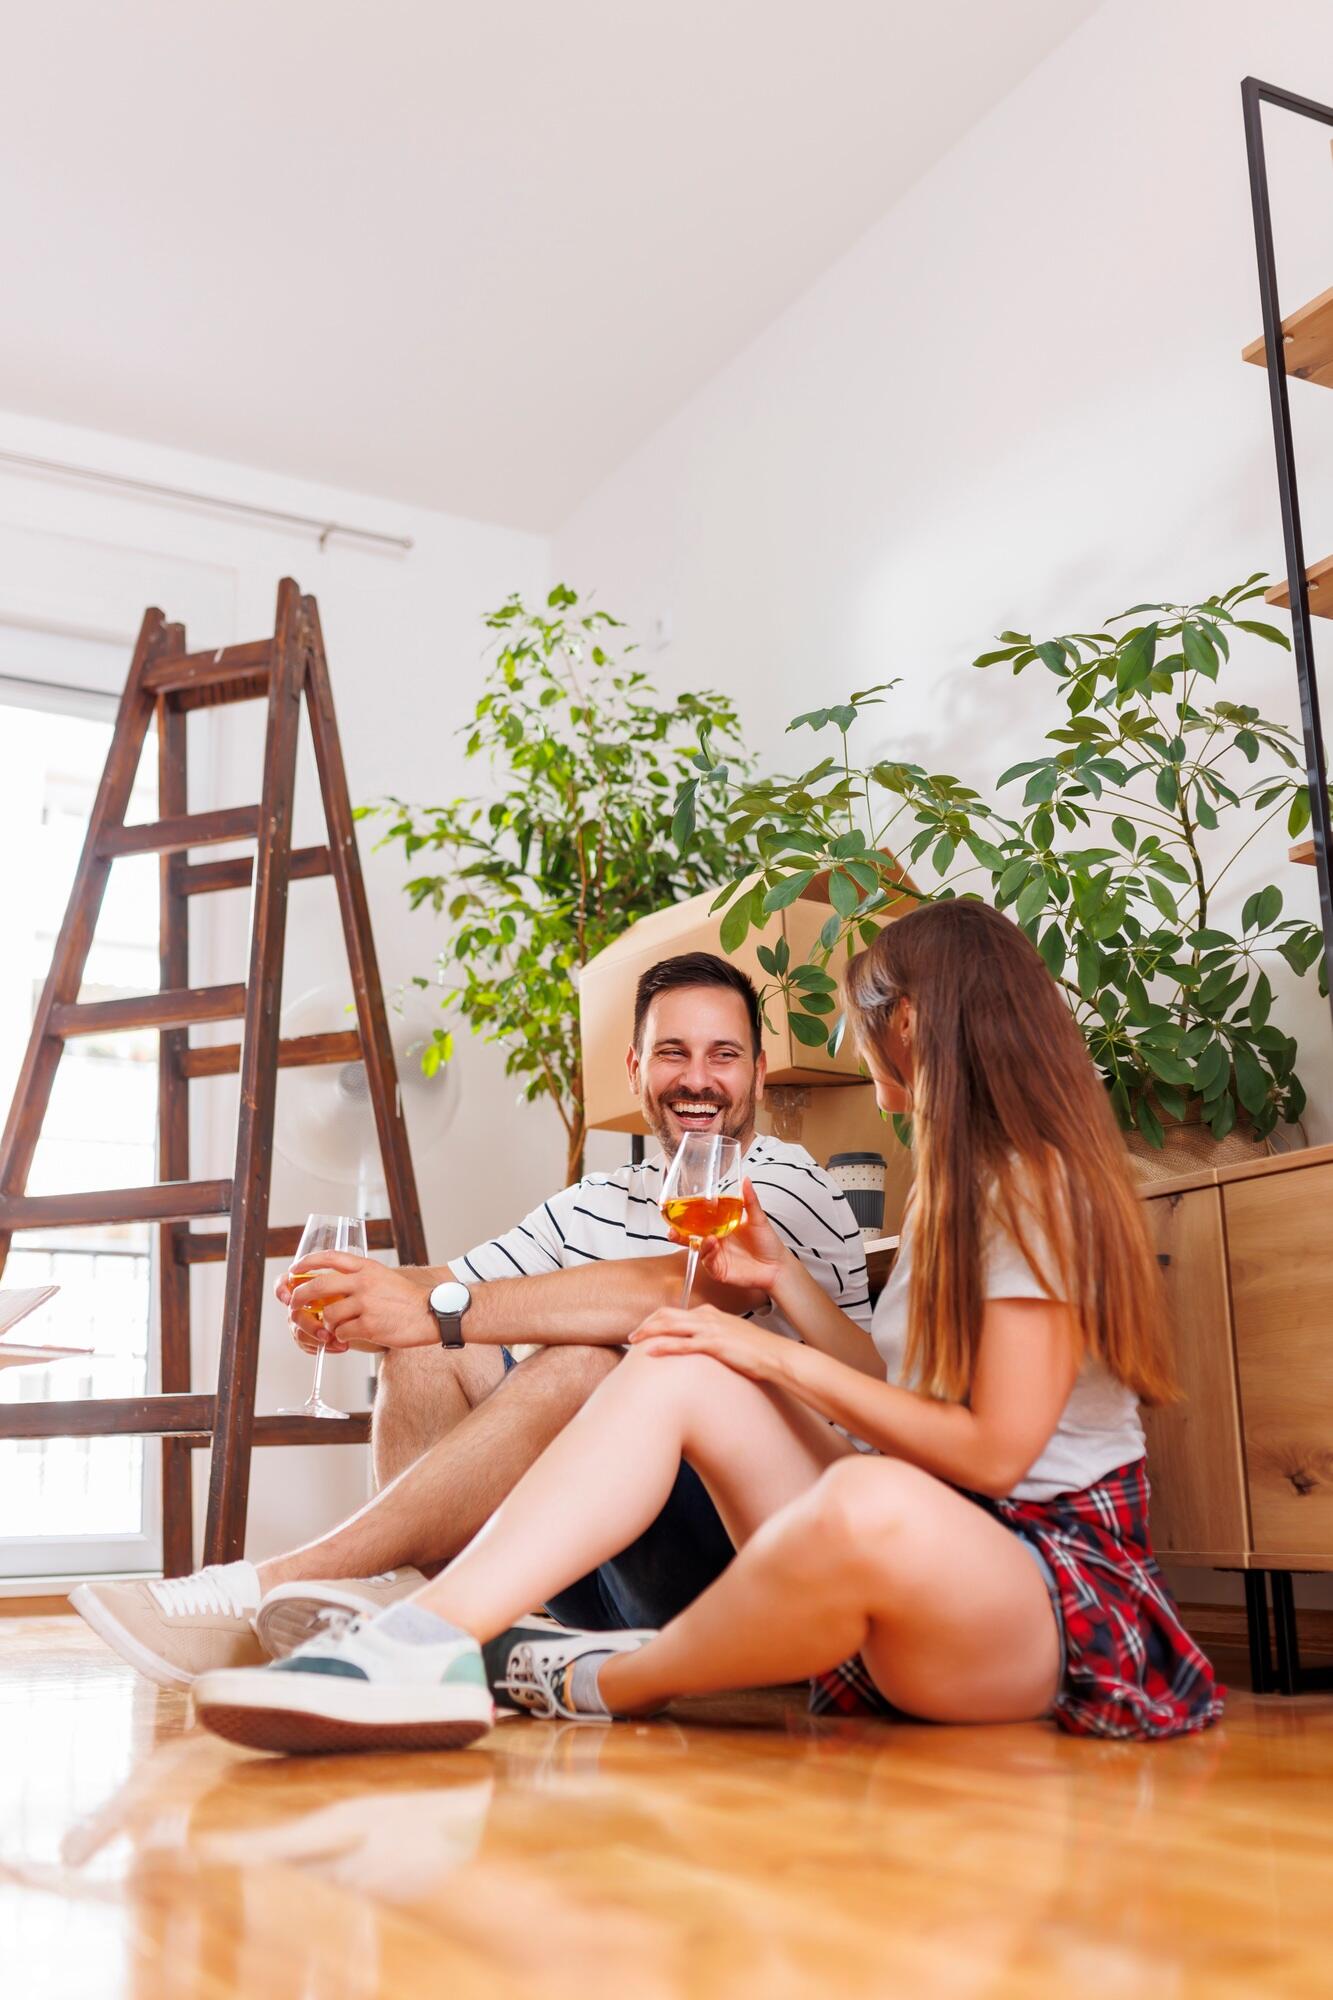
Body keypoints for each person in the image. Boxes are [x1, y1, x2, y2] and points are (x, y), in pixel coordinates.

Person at [190, 899, 1223, 1753]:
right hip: (922, 1559)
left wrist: (767, 1346)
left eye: (865, 1023)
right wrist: (783, 1284)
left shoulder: (1037, 1189)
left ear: (911, 1023)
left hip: (1039, 1585)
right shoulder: (952, 1191)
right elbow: (893, 1385)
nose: (857, 1047)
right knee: (676, 1359)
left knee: (857, 1487)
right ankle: (422, 1640)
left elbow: (995, 1454)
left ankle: (599, 1678)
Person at [71, 952, 871, 1685]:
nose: (697, 1078)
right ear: (634, 1069)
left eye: (722, 1055)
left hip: (738, 1552)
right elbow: (448, 1287)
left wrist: (426, 1307)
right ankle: (426, 1624)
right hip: (598, 1567)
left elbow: (680, 1289)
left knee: (585, 1365)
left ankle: (281, 1583)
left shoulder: (783, 1181)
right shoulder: (595, 1202)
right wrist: (360, 1298)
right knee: (429, 1352)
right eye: (672, 1053)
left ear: (758, 1074)